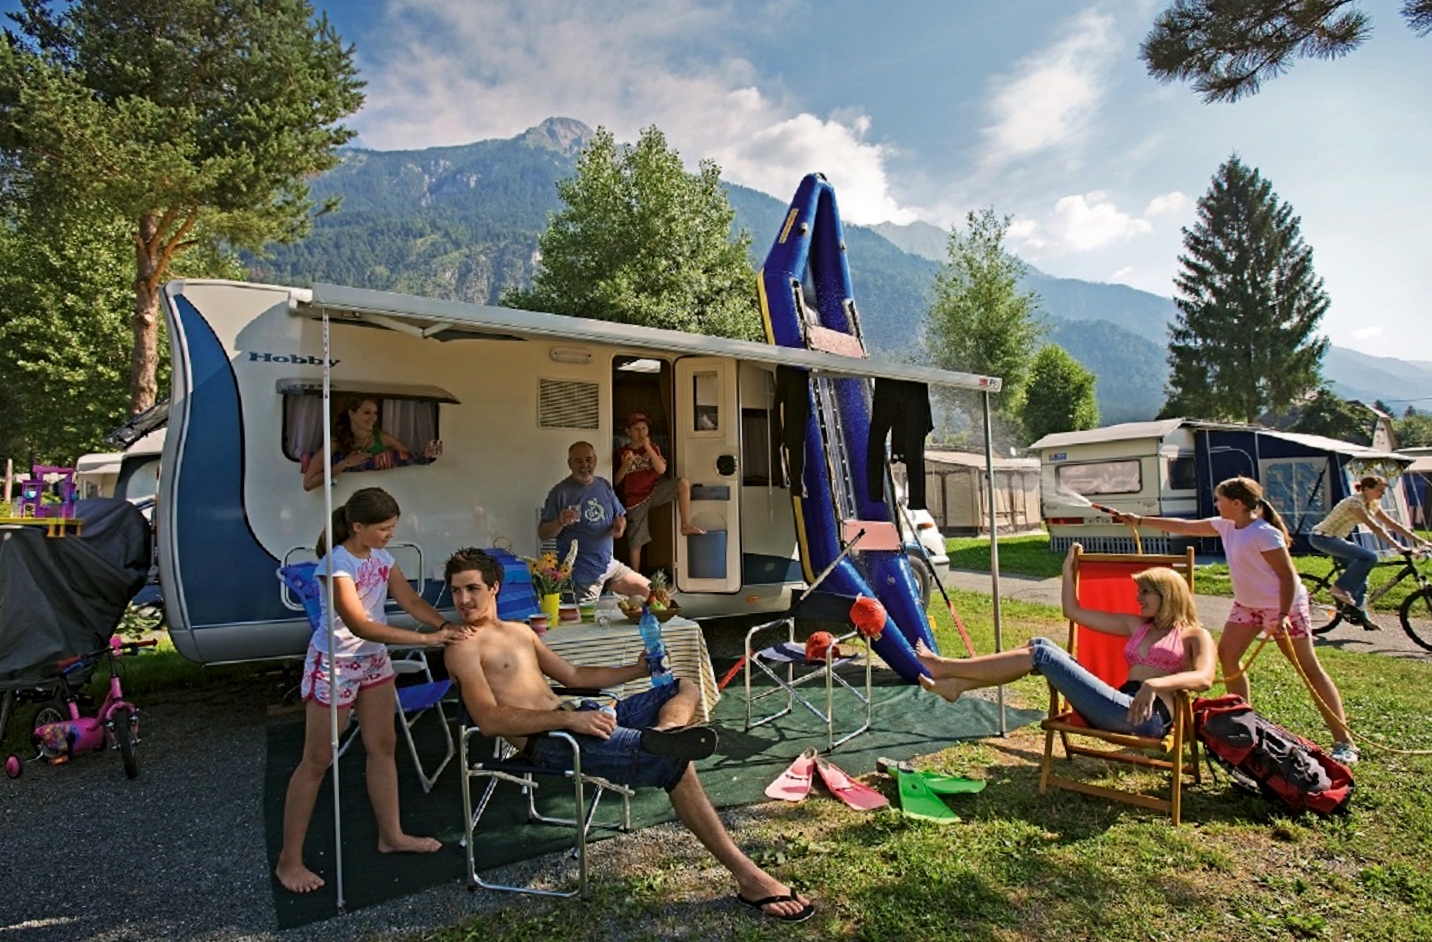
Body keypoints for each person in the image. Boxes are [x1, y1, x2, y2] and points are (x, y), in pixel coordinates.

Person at [441, 547, 815, 923]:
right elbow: (489, 720)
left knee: (683, 684)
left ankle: (667, 731)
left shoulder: (521, 632)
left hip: (578, 719)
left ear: (494, 588)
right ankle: (749, 877)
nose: (463, 600)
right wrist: (569, 722)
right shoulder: (463, 649)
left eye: (471, 588)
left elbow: (573, 677)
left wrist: (633, 671)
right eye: (456, 591)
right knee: (676, 766)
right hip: (553, 742)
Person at [276, 487, 470, 894]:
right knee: (317, 760)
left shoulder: (381, 558)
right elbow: (360, 625)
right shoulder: (336, 564)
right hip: (336, 665)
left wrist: (444, 627)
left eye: (393, 527)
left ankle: (392, 835)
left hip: (372, 663)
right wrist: (427, 642)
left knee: (383, 745)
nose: (389, 535)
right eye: (383, 528)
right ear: (357, 526)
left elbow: (411, 601)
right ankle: (289, 860)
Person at [1109, 476, 1360, 764]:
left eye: (1220, 499)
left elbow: (1287, 576)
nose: (1216, 504)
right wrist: (1138, 520)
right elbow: (1184, 526)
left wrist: (1281, 615)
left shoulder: (1264, 534)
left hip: (1284, 607)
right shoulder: (1226, 526)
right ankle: (1244, 727)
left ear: (1237, 503)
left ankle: (1344, 742)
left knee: (1307, 668)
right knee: (1228, 656)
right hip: (1247, 606)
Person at [916, 543, 1217, 737]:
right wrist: (1066, 571)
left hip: (1146, 717)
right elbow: (1072, 611)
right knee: (1041, 644)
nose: (1138, 599)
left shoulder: (1195, 635)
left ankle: (948, 668)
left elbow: (1204, 678)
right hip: (1115, 704)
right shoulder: (1137, 625)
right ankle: (957, 684)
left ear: (1167, 596)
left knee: (1043, 654)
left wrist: (1155, 684)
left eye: (1144, 593)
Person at [1307, 475, 1431, 625]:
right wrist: (1399, 547)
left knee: (1362, 575)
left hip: (1337, 539)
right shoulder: (1354, 502)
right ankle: (1339, 587)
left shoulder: (1372, 503)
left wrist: (1422, 541)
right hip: (1323, 538)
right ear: (1366, 489)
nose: (1382, 494)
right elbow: (1375, 527)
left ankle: (1360, 614)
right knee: (1370, 558)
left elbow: (1393, 525)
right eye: (1379, 491)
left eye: (1383, 491)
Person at [539, 441, 649, 602]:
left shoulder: (603, 485)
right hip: (580, 575)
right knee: (585, 623)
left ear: (595, 461)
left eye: (589, 459)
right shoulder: (560, 492)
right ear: (570, 464)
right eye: (578, 461)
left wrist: (620, 527)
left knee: (649, 592)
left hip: (608, 565)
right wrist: (560, 522)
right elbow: (542, 533)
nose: (585, 465)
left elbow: (620, 517)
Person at [613, 413, 704, 572]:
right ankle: (636, 575)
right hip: (635, 499)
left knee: (683, 483)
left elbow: (661, 469)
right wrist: (625, 466)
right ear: (628, 432)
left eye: (644, 428)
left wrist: (648, 447)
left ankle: (685, 524)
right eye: (636, 429)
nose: (641, 433)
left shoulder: (653, 448)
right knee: (636, 541)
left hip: (654, 491)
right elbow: (616, 481)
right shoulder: (622, 452)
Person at [302, 396, 443, 492]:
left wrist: (426, 455)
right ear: (351, 413)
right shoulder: (335, 441)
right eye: (366, 413)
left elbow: (409, 457)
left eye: (375, 413)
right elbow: (308, 484)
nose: (373, 418)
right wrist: (345, 464)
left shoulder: (382, 438)